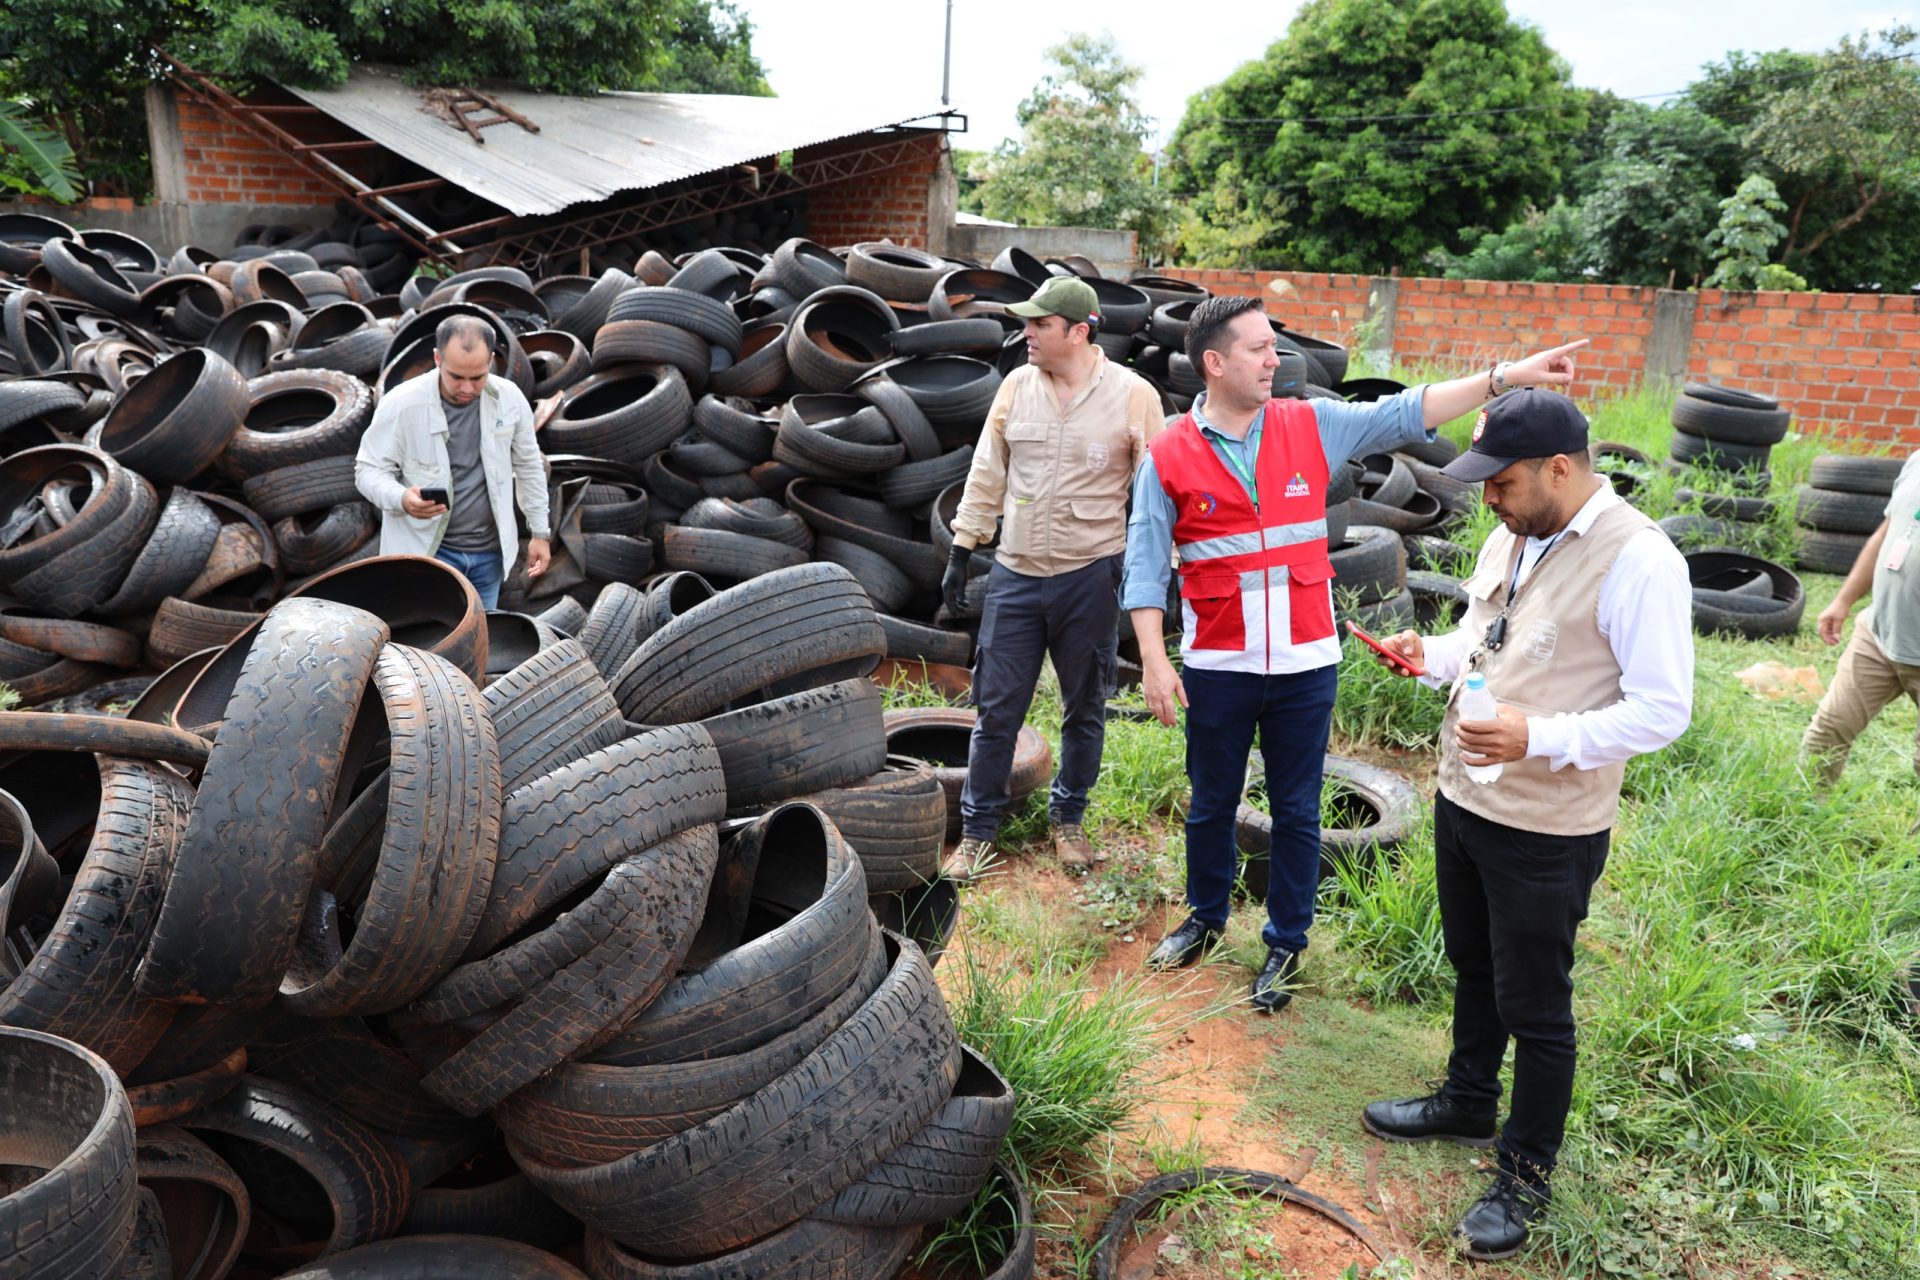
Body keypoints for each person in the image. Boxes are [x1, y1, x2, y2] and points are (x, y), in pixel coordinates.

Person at [1122, 293, 1589, 1020]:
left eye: (1273, 347)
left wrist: (1506, 377)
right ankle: (1205, 918)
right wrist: (1155, 659)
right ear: (1214, 363)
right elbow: (1144, 565)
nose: (1274, 358)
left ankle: (1285, 942)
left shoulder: (1309, 424)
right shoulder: (1168, 454)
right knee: (1211, 803)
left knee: (1297, 808)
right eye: (1257, 349)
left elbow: (1409, 412)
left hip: (1307, 664)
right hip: (1219, 663)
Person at [1358, 390, 1693, 1261]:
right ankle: (1468, 1098)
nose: (1489, 501)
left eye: (1501, 482)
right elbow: (1483, 637)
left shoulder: (1639, 560)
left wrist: (1535, 735)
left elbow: (1662, 711)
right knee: (1475, 965)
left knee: (1537, 1006)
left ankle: (1525, 1174)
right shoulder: (1514, 532)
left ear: (1559, 468)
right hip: (1468, 798)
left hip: (1548, 826)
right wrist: (1426, 659)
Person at [941, 275, 1165, 880]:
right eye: (1028, 323)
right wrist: (963, 548)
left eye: (1039, 324)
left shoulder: (1133, 396)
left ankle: (1069, 821)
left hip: (1089, 575)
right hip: (1014, 576)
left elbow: (1155, 499)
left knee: (1084, 707)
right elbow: (988, 470)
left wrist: (1155, 578)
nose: (1027, 333)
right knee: (995, 709)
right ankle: (978, 833)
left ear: (1079, 331)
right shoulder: (1017, 385)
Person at [354, 315, 554, 608]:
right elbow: (368, 471)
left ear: (491, 361)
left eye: (478, 377)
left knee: (479, 647)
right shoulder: (402, 403)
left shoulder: (509, 399)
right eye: (457, 377)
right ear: (437, 358)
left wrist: (539, 532)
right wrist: (402, 498)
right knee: (421, 649)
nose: (467, 388)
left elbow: (528, 466)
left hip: (488, 559)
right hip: (426, 557)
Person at [1802, 452, 1920, 802]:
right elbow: (1889, 532)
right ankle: (1804, 814)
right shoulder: (1917, 461)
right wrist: (1844, 599)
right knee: (1827, 732)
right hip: (1880, 633)